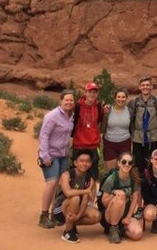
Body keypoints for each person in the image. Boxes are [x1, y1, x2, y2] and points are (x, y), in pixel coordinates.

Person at [38, 90, 76, 229]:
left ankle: (55, 214)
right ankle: (43, 216)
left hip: (63, 154)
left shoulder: (70, 116)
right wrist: (44, 155)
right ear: (60, 100)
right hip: (51, 154)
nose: (69, 102)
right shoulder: (52, 116)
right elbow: (44, 136)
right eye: (66, 100)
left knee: (60, 184)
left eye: (71, 100)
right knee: (51, 183)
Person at [53, 152, 102, 243]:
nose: (84, 163)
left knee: (97, 216)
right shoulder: (67, 175)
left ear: (90, 164)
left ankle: (72, 223)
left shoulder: (89, 179)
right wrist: (86, 191)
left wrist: (78, 216)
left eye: (87, 161)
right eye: (81, 161)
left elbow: (85, 199)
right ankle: (68, 231)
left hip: (76, 207)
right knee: (75, 198)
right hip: (60, 209)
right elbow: (68, 193)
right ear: (75, 163)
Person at [98, 152, 144, 243]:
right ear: (118, 163)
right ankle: (113, 228)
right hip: (109, 215)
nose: (127, 164)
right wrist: (114, 193)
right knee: (121, 195)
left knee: (137, 234)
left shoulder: (133, 178)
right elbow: (104, 202)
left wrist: (129, 217)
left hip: (124, 214)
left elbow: (135, 199)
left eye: (130, 163)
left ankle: (120, 232)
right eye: (124, 162)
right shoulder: (112, 179)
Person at [127, 76, 157, 176]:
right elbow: (129, 119)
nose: (145, 87)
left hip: (153, 139)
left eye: (147, 85)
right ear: (139, 87)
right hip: (138, 139)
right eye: (143, 85)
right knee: (138, 166)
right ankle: (139, 189)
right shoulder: (133, 102)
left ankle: (151, 187)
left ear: (151, 87)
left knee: (153, 165)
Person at [72, 82, 106, 180]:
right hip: (79, 145)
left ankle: (91, 195)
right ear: (85, 93)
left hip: (93, 146)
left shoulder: (99, 107)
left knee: (93, 176)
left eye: (94, 92)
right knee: (77, 175)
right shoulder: (77, 107)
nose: (92, 94)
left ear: (97, 94)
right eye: (90, 92)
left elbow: (99, 122)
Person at [103, 88, 132, 171]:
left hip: (125, 143)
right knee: (111, 172)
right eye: (118, 97)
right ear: (115, 98)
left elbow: (132, 127)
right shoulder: (108, 111)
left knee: (124, 170)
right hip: (109, 144)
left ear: (126, 98)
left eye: (123, 97)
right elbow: (102, 126)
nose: (121, 99)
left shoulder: (130, 111)